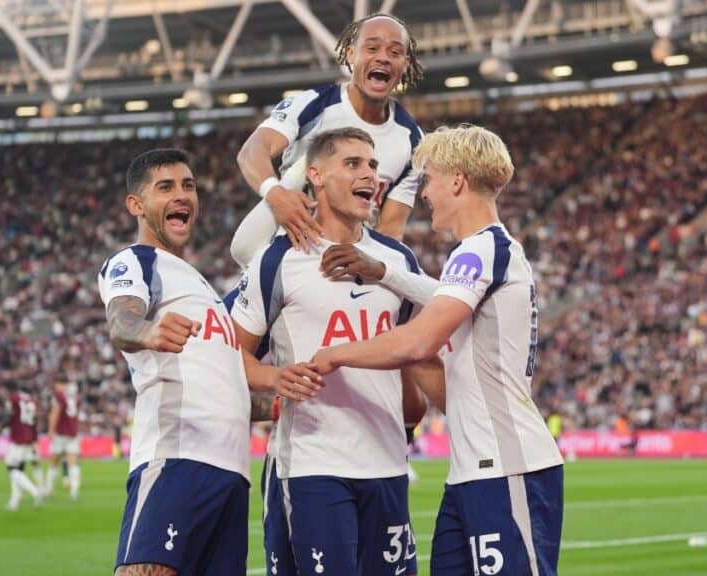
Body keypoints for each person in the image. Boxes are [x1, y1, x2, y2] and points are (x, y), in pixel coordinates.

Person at [312, 125, 565, 576]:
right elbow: (442, 296)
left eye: (429, 178)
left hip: (506, 468)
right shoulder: (489, 252)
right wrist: (383, 271)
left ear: (457, 181)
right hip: (472, 472)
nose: (424, 191)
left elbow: (420, 340)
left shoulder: (480, 251)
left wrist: (336, 354)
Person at [230, 128, 442, 576]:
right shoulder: (276, 261)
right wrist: (274, 379)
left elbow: (409, 349)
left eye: (371, 165)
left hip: (387, 465)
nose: (369, 174)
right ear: (316, 177)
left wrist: (411, 398)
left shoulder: (397, 261)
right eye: (353, 164)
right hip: (312, 465)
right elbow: (230, 355)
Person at [100, 148, 250, 576]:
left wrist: (276, 403)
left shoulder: (207, 292)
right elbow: (121, 319)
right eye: (165, 187)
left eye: (188, 185)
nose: (182, 195)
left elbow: (223, 385)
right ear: (136, 205)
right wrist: (147, 331)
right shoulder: (137, 261)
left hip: (232, 474)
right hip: (177, 459)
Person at [233, 12, 425, 263]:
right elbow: (251, 151)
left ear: (406, 63)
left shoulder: (413, 141)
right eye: (372, 48)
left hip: (348, 262)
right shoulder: (310, 105)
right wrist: (276, 194)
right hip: (287, 252)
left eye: (394, 52)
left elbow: (390, 229)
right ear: (351, 54)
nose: (383, 57)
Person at [4, 382, 42, 511]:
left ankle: (35, 491)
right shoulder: (31, 400)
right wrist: (34, 439)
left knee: (11, 468)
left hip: (18, 437)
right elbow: (35, 420)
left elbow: (9, 415)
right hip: (29, 437)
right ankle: (14, 501)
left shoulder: (13, 398)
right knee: (19, 469)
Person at [46, 379, 82, 500]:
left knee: (54, 462)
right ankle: (74, 491)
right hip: (72, 433)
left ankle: (49, 488)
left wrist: (51, 430)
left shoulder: (58, 396)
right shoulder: (75, 397)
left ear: (59, 384)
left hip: (60, 433)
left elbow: (55, 413)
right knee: (73, 462)